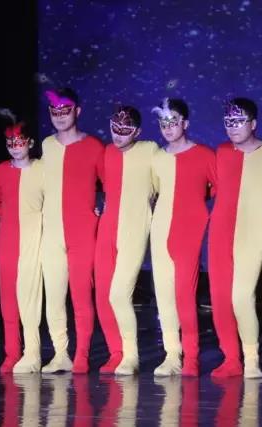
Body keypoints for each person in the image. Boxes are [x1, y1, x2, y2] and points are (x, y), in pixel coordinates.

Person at [208, 98, 262, 378]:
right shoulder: (221, 152)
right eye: (228, 122)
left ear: (253, 124)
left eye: (239, 121)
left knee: (241, 297)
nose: (233, 127)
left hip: (252, 232)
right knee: (219, 299)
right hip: (220, 231)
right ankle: (231, 359)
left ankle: (251, 360)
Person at [40, 88, 104, 373]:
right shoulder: (47, 145)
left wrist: (102, 210)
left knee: (81, 295)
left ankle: (82, 355)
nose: (60, 116)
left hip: (82, 232)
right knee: (54, 297)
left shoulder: (94, 147)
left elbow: (111, 183)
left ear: (77, 111)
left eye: (65, 110)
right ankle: (60, 353)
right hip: (52, 232)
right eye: (54, 111)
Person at [150, 98, 216, 377]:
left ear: (185, 124)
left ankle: (191, 357)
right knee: (164, 296)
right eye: (163, 123)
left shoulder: (204, 154)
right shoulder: (157, 158)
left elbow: (218, 188)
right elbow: (154, 191)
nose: (168, 128)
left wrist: (197, 205)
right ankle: (172, 355)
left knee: (184, 296)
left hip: (188, 231)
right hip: (160, 229)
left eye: (173, 122)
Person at [94, 105, 158, 375]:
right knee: (103, 296)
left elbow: (166, 181)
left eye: (126, 129)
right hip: (107, 228)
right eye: (115, 128)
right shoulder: (107, 152)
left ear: (138, 132)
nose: (119, 134)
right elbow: (98, 183)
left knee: (119, 294)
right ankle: (116, 353)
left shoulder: (150, 150)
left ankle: (131, 356)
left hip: (134, 227)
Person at [0, 117, 43, 373]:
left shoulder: (42, 169)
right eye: (10, 143)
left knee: (30, 296)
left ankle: (32, 352)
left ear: (29, 143)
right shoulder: (0, 171)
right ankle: (12, 352)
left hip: (35, 238)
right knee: (8, 297)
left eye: (19, 142)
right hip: (8, 239)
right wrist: (12, 217)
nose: (15, 147)